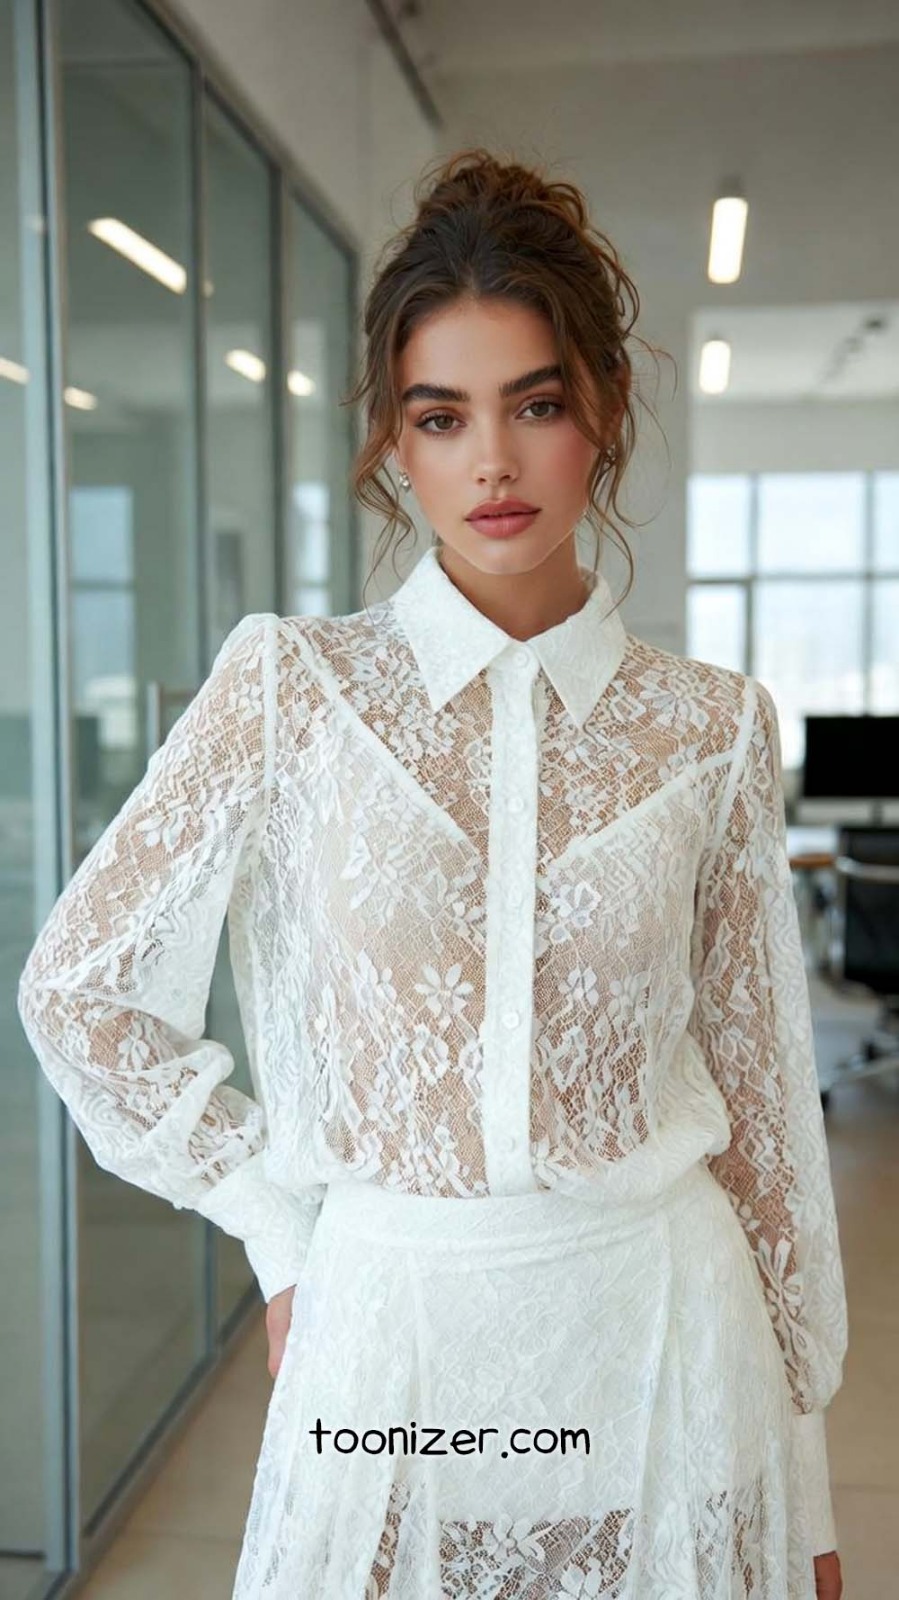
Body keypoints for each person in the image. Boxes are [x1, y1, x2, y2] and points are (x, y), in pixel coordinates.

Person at [17, 146, 848, 1599]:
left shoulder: (710, 728)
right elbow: (79, 990)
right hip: (392, 1321)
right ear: (394, 447)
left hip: (666, 1322)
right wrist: (280, 1228)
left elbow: (768, 1108)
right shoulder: (292, 692)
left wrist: (812, 1499)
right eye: (441, 415)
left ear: (602, 412)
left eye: (536, 403)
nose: (494, 461)